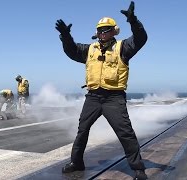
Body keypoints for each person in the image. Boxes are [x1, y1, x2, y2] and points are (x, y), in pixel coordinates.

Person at [55, 1, 148, 180]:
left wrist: (133, 21)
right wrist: (66, 36)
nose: (102, 33)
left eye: (106, 29)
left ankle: (138, 168)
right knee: (82, 129)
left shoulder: (123, 48)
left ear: (114, 31)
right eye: (100, 30)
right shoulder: (90, 49)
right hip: (93, 97)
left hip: (114, 98)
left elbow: (141, 39)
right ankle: (77, 162)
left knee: (125, 133)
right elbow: (72, 51)